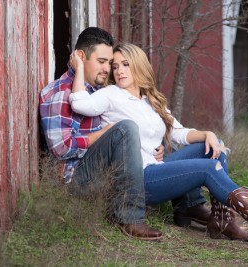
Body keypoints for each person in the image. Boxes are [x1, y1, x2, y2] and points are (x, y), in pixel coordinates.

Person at [68, 42, 248, 246]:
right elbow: (79, 103)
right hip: (139, 179)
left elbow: (179, 132)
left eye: (125, 64)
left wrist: (207, 134)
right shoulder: (111, 94)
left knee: (214, 148)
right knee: (206, 169)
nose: (119, 70)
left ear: (138, 64)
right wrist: (79, 67)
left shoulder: (149, 101)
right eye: (115, 66)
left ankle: (211, 216)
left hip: (156, 168)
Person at [40, 27, 208, 241]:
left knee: (142, 133)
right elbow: (62, 148)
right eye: (102, 62)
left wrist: (149, 147)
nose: (108, 69)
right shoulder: (60, 93)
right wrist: (108, 132)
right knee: (125, 127)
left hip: (103, 170)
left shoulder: (95, 90)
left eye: (110, 64)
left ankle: (189, 205)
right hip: (76, 181)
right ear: (80, 58)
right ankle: (129, 217)